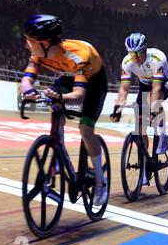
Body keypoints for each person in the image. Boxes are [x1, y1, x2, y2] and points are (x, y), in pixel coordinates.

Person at [20, 14, 108, 206]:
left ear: (44, 42)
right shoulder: (38, 52)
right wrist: (28, 91)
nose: (26, 44)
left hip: (93, 83)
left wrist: (60, 97)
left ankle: (101, 182)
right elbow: (26, 80)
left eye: (29, 41)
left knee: (85, 129)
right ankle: (58, 153)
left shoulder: (79, 55)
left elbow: (78, 96)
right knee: (55, 104)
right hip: (68, 77)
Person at [110, 33, 168, 185]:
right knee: (140, 126)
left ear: (145, 50)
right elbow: (124, 89)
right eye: (132, 54)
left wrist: (152, 111)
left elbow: (157, 89)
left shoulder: (157, 58)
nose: (136, 57)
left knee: (154, 100)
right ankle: (145, 167)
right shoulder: (127, 62)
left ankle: (162, 134)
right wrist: (117, 109)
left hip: (164, 82)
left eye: (138, 53)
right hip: (145, 84)